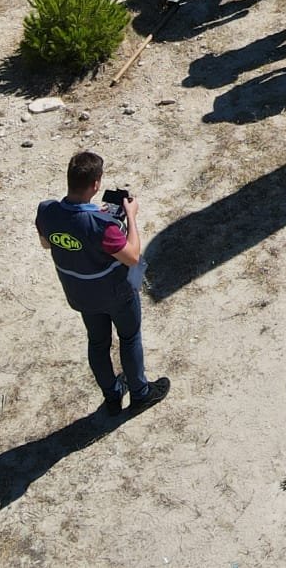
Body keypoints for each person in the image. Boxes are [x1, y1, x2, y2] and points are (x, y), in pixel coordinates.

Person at [35, 151, 170, 416]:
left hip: (81, 294)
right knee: (129, 338)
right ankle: (141, 394)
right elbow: (131, 257)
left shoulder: (47, 211)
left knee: (97, 343)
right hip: (116, 293)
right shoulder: (102, 225)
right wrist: (130, 216)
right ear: (96, 184)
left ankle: (112, 395)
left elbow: (45, 243)